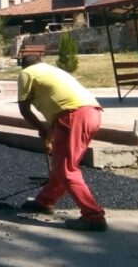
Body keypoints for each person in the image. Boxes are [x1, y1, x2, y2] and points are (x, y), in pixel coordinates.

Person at [17, 55, 108, 232]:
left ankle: (93, 216)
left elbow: (24, 108)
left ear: (23, 66)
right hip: (91, 113)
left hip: (72, 116)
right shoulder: (53, 71)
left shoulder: (27, 73)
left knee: (65, 169)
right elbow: (60, 106)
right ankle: (44, 201)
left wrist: (42, 130)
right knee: (61, 163)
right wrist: (49, 136)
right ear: (40, 61)